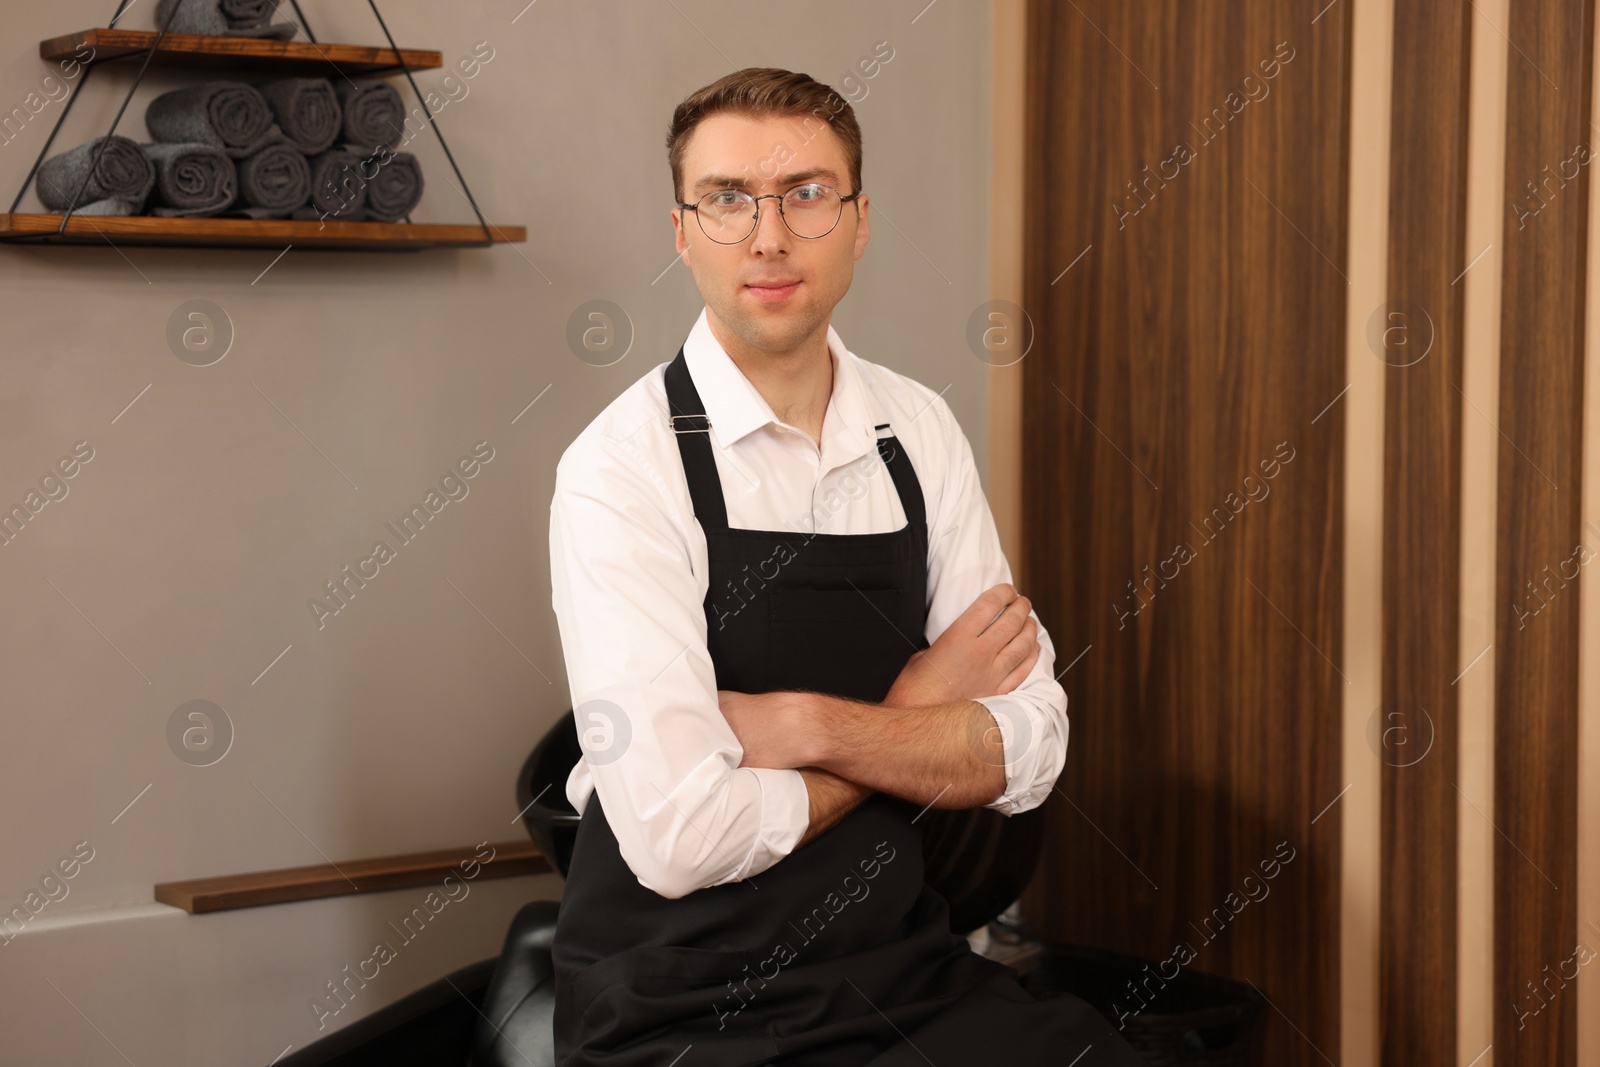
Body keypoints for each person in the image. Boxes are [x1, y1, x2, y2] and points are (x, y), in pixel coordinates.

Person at [547, 67, 1143, 1066]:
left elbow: (1030, 746)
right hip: (676, 998)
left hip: (897, 964)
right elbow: (681, 835)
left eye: (808, 195)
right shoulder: (620, 467)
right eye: (728, 200)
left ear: (859, 221)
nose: (769, 236)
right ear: (682, 230)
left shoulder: (918, 430)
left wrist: (804, 725)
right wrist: (912, 712)